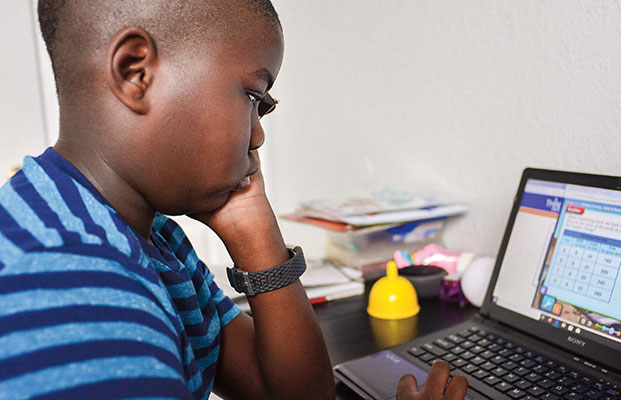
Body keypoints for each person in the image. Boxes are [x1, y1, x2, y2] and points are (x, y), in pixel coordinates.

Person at [0, 0, 468, 399]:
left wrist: (255, 231)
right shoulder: (72, 280)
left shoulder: (151, 237)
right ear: (134, 72)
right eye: (252, 96)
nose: (259, 134)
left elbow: (287, 392)